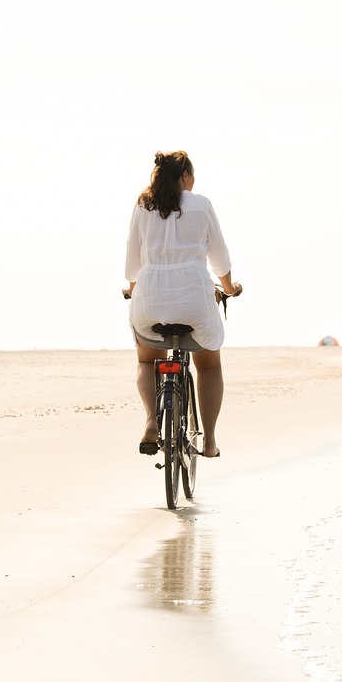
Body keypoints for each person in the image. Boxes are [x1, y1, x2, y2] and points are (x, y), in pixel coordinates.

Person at [124, 151, 240, 459]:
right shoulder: (201, 205)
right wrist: (229, 288)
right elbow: (220, 257)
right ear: (186, 177)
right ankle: (210, 440)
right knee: (209, 364)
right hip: (194, 300)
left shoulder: (143, 205)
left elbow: (133, 263)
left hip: (149, 300)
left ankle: (151, 420)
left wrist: (133, 289)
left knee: (147, 361)